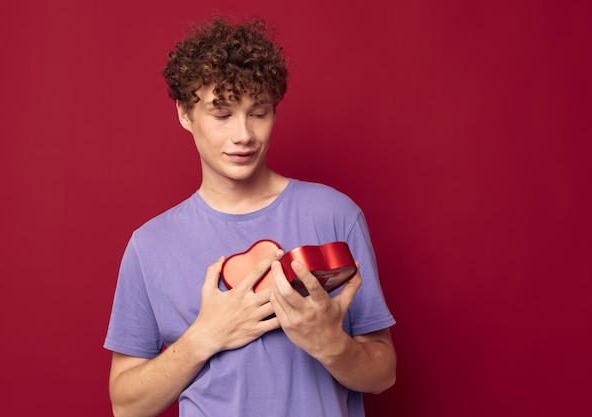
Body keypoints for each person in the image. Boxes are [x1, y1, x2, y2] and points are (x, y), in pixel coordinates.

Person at [104, 16, 396, 417]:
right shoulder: (149, 246)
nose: (244, 135)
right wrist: (205, 336)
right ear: (185, 114)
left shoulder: (334, 214)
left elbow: (383, 375)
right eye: (222, 115)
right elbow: (125, 406)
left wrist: (331, 344)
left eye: (258, 112)